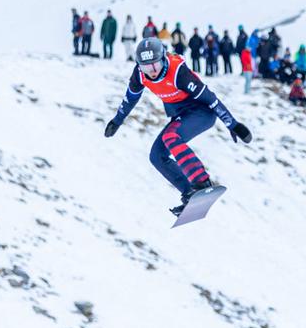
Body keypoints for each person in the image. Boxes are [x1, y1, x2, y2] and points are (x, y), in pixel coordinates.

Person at [103, 37, 252, 217]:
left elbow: (210, 98)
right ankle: (190, 192)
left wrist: (232, 123)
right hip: (181, 114)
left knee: (170, 137)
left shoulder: (178, 72)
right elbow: (130, 98)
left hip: (201, 113)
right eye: (146, 66)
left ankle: (202, 184)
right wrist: (117, 121)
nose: (151, 70)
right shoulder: (139, 74)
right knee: (157, 156)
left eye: (155, 64)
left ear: (163, 58)